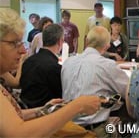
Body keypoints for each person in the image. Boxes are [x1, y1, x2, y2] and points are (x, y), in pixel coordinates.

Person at [0, 8, 105, 137]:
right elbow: (18, 133)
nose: (22, 50)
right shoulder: (53, 67)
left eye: (21, 43)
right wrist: (77, 106)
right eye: (14, 43)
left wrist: (43, 110)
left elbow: (12, 118)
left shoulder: (27, 63)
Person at [61, 25, 129, 136]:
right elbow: (129, 91)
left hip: (68, 129)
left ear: (87, 41)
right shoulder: (107, 65)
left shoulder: (67, 63)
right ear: (107, 46)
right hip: (95, 130)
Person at [20, 24, 64, 108]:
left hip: (25, 109)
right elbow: (60, 97)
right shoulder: (55, 67)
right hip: (44, 113)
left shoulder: (28, 61)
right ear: (60, 42)